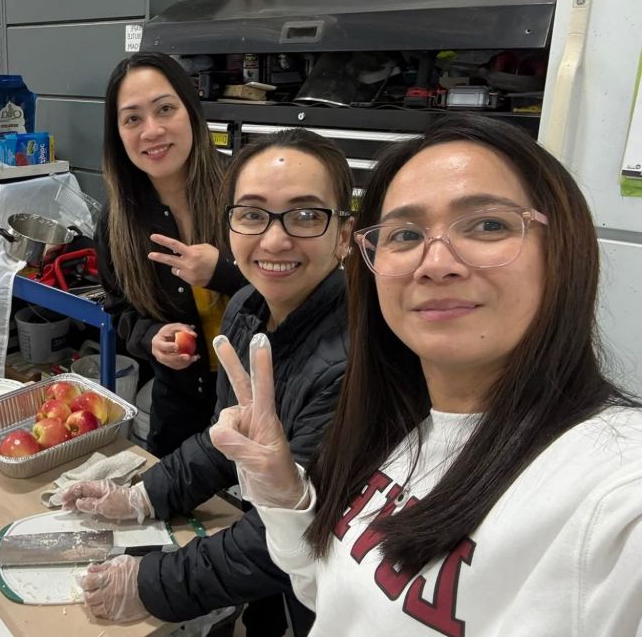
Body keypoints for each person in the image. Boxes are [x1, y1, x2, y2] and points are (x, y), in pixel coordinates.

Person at [209, 113, 642, 636]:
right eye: (406, 234)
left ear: (564, 250)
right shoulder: (393, 423)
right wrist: (286, 497)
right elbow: (337, 595)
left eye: (488, 225)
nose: (436, 263)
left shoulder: (615, 492)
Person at [66, 129, 355, 634]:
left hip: (331, 592)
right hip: (270, 563)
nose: (274, 240)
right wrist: (146, 495)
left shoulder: (352, 365)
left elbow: (297, 531)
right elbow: (228, 440)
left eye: (307, 215)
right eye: (253, 214)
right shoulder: (246, 307)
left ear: (345, 235)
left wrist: (152, 584)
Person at [96, 51, 246, 456]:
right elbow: (119, 308)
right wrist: (151, 337)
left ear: (191, 111)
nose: (152, 130)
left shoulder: (244, 189)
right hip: (181, 410)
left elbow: (300, 291)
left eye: (165, 109)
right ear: (118, 133)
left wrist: (223, 271)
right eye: (132, 119)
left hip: (263, 401)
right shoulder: (117, 220)